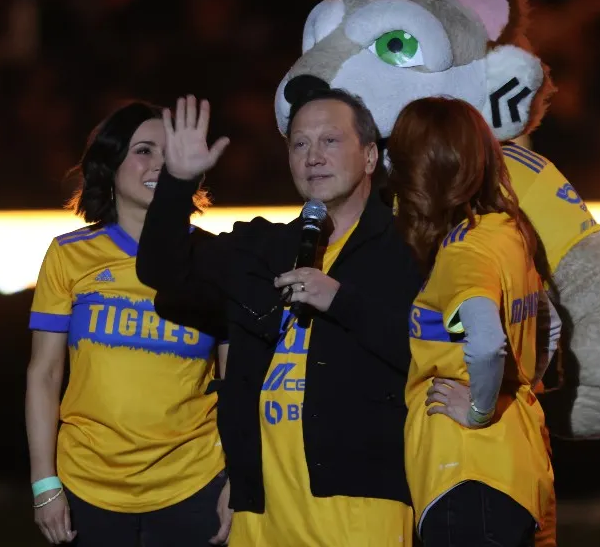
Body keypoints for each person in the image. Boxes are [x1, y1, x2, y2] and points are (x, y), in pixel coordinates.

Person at [136, 92, 424, 546]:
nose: (314, 157)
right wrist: (178, 183)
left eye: (330, 140)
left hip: (364, 505)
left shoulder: (409, 249)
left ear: (370, 156)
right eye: (299, 144)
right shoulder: (263, 246)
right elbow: (162, 271)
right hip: (263, 508)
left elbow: (433, 352)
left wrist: (341, 302)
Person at [24, 101, 230, 546]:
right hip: (88, 489)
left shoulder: (213, 257)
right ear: (110, 163)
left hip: (194, 485)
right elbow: (44, 374)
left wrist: (239, 479)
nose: (160, 162)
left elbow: (237, 380)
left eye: (168, 150)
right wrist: (44, 486)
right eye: (144, 150)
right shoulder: (69, 255)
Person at [388, 96, 555, 546]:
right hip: (515, 468)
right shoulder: (508, 231)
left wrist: (479, 410)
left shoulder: (461, 254)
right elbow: (548, 325)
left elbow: (484, 341)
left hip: (465, 476)